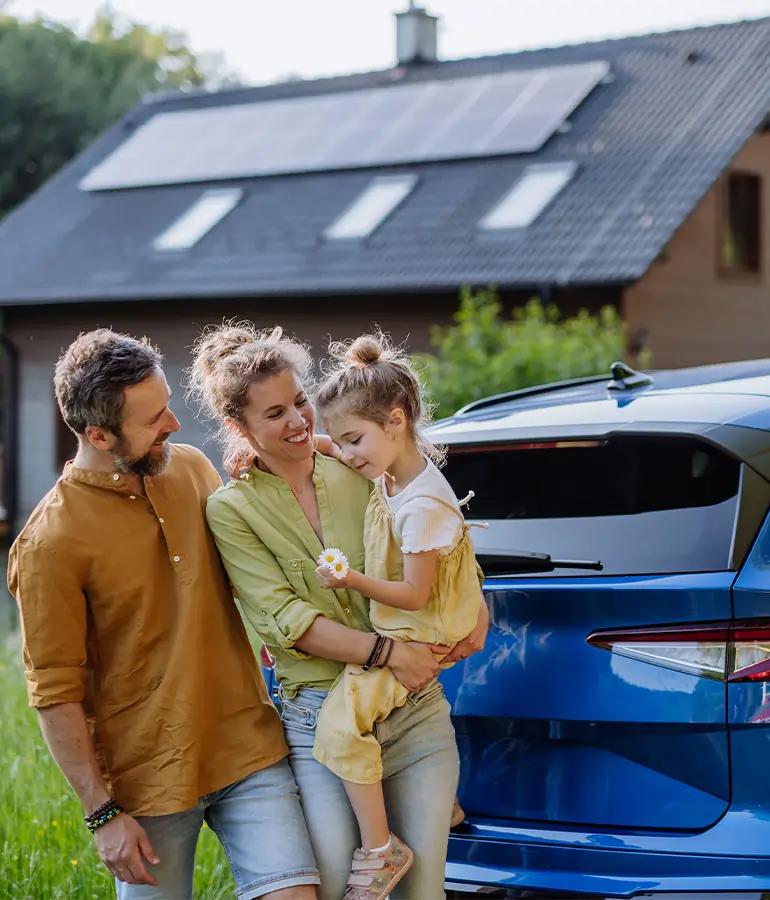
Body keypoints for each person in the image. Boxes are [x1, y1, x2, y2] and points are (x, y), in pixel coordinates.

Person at [8, 329, 319, 900]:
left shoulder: (193, 469)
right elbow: (55, 692)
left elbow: (252, 569)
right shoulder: (49, 543)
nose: (173, 424)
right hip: (147, 781)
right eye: (152, 420)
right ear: (99, 435)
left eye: (167, 405)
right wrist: (102, 815)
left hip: (247, 746)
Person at [192, 323, 489, 900]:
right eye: (274, 414)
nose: (299, 421)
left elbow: (436, 534)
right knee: (338, 887)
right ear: (238, 428)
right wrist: (390, 651)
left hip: (413, 708)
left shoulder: (357, 464)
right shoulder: (232, 510)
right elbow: (287, 621)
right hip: (321, 718)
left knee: (422, 891)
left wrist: (479, 606)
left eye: (300, 401)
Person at [310, 333, 484, 900]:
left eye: (355, 439)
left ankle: (381, 850)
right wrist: (302, 442)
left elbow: (412, 593)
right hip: (416, 627)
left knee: (338, 727)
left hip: (415, 629)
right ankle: (445, 802)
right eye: (341, 442)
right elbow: (340, 447)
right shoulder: (393, 470)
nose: (348, 453)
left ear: (397, 420)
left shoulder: (421, 506)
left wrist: (349, 579)